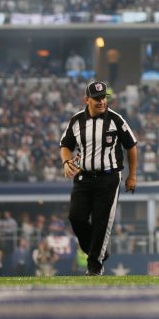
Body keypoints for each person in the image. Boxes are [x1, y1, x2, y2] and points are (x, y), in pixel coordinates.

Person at [60, 80, 138, 276]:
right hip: (83, 177)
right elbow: (65, 145)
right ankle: (97, 250)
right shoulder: (76, 121)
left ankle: (94, 267)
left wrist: (132, 176)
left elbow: (131, 146)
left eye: (103, 97)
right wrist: (66, 162)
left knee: (102, 222)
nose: (101, 101)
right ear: (86, 99)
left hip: (109, 178)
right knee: (75, 217)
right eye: (96, 98)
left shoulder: (116, 119)